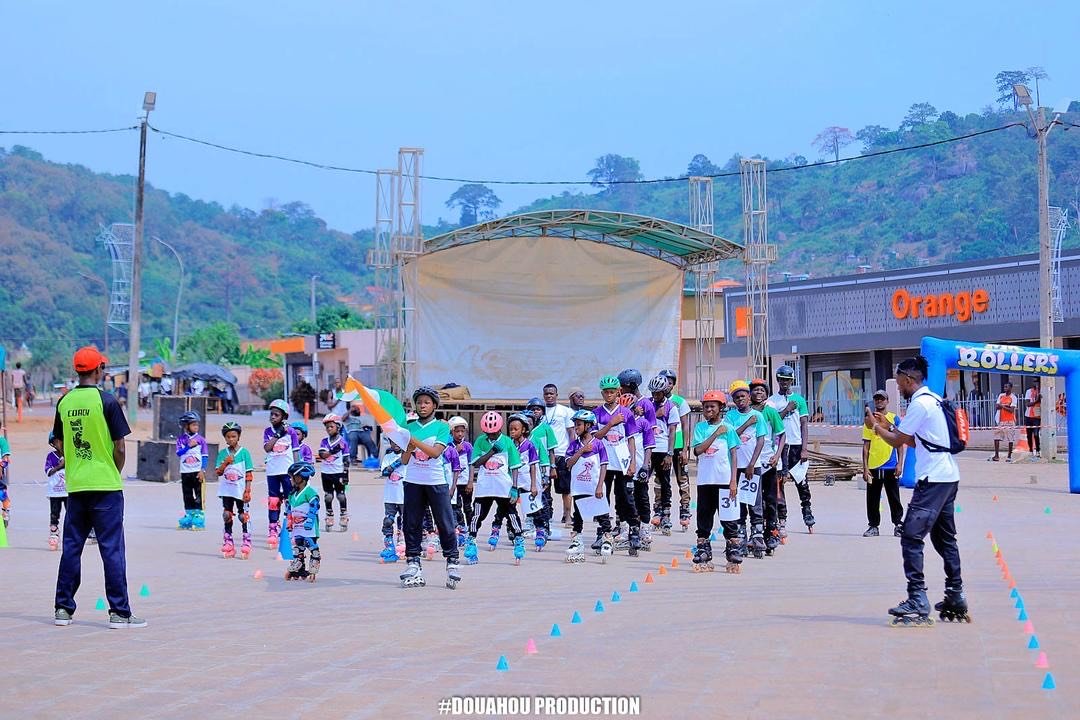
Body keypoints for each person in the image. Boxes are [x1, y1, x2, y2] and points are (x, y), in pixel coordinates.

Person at [871, 355, 969, 626]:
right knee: (944, 539)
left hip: (933, 479)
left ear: (908, 379)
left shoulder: (919, 404)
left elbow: (899, 441)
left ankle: (917, 598)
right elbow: (920, 440)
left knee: (911, 537)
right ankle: (955, 594)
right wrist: (887, 426)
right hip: (949, 477)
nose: (898, 387)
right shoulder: (934, 399)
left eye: (900, 381)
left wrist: (876, 427)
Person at [52, 346, 145, 628]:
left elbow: (57, 442)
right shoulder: (107, 401)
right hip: (105, 485)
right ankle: (119, 612)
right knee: (111, 550)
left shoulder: (64, 402)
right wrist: (112, 470)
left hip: (77, 486)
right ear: (98, 370)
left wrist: (73, 459)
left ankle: (63, 609)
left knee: (72, 548)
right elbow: (119, 445)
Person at [400, 386, 462, 590]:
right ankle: (413, 561)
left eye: (426, 402)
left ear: (434, 405)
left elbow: (435, 453)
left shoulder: (442, 427)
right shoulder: (409, 427)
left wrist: (413, 441)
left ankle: (452, 561)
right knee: (412, 523)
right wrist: (408, 448)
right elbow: (404, 460)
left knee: (445, 522)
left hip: (436, 482)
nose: (422, 406)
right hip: (413, 482)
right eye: (419, 402)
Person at [691, 390, 741, 573]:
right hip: (705, 481)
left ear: (721, 408)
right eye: (705, 407)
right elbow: (698, 451)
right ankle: (703, 551)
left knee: (728, 520)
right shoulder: (700, 428)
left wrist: (734, 480)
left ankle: (733, 552)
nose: (708, 410)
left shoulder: (729, 429)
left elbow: (734, 455)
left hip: (725, 481)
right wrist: (714, 435)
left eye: (712, 406)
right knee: (704, 519)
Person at [467, 411, 524, 561]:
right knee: (477, 515)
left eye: (493, 433)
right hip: (484, 487)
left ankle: (518, 539)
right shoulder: (480, 441)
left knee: (511, 514)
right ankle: (471, 540)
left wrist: (515, 488)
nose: (490, 435)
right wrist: (492, 451)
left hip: (503, 487)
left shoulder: (507, 441)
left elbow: (515, 466)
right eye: (488, 433)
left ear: (499, 429)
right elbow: (476, 463)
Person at [766, 365, 815, 536]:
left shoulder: (799, 400)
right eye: (782, 380)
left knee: (802, 482)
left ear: (791, 381)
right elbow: (772, 420)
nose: (784, 383)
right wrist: (786, 409)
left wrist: (805, 448)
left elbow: (804, 425)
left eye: (787, 380)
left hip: (795, 445)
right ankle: (782, 518)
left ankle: (807, 512)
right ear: (778, 380)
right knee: (779, 483)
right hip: (780, 445)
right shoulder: (771, 401)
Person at [594, 375, 640, 555]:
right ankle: (604, 530)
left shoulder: (626, 413)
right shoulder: (597, 413)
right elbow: (595, 437)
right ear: (602, 393)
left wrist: (633, 462)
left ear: (618, 392)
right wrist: (611, 424)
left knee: (625, 498)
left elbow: (631, 440)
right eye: (606, 392)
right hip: (603, 462)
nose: (609, 395)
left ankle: (633, 530)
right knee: (601, 497)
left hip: (622, 462)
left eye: (612, 392)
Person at [727, 381, 767, 558]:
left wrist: (752, 464)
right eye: (737, 397)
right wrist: (746, 423)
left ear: (749, 397)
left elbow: (760, 441)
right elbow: (731, 436)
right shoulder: (730, 416)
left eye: (743, 396)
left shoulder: (758, 416)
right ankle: (741, 532)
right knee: (739, 501)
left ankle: (757, 533)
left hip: (753, 466)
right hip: (736, 466)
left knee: (755, 500)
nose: (740, 399)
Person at [564, 409, 610, 563]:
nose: (576, 427)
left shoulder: (598, 444)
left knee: (602, 515)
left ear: (589, 425)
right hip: (578, 488)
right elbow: (569, 464)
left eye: (579, 424)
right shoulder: (573, 445)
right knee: (578, 516)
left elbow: (603, 466)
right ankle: (577, 541)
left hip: (594, 487)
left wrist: (599, 486)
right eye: (575, 424)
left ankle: (607, 540)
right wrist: (582, 450)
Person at [861, 390, 905, 538]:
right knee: (872, 499)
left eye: (882, 399)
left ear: (887, 401)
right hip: (874, 467)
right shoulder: (869, 420)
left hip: (891, 465)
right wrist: (865, 468)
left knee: (894, 497)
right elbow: (866, 446)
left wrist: (900, 464)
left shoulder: (894, 419)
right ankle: (873, 526)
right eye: (877, 399)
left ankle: (898, 524)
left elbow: (899, 443)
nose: (879, 401)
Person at [749, 378, 786, 555]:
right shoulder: (745, 412)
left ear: (766, 394)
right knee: (752, 501)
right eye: (755, 390)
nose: (758, 393)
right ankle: (754, 533)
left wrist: (777, 456)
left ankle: (771, 531)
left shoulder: (770, 411)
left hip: (767, 461)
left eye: (762, 391)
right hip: (749, 463)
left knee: (770, 500)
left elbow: (782, 435)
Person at [263, 399, 301, 549]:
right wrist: (278, 434)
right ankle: (273, 528)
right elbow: (267, 448)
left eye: (276, 415)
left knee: (289, 499)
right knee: (273, 501)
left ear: (284, 417)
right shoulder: (268, 432)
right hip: (272, 471)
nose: (273, 417)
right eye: (271, 414)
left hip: (287, 471)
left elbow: (296, 451)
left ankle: (291, 528)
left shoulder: (291, 432)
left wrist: (297, 471)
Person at [658, 369, 693, 531]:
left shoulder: (679, 401)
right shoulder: (655, 401)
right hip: (662, 446)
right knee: (660, 479)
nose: (667, 385)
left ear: (673, 385)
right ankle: (659, 509)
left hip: (678, 445)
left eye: (670, 382)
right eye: (665, 381)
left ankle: (685, 509)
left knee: (682, 478)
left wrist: (686, 449)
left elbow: (685, 425)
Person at [645, 375, 679, 535]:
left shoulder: (671, 407)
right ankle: (646, 513)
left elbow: (672, 431)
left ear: (665, 391)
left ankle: (665, 515)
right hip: (648, 449)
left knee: (665, 483)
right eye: (653, 393)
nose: (655, 396)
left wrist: (670, 453)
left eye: (658, 393)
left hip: (663, 449)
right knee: (642, 480)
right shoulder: (647, 404)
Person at [214, 421, 254, 559]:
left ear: (238, 437)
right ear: (225, 438)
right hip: (227, 491)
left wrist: (248, 491)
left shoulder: (245, 453)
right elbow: (218, 472)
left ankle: (246, 541)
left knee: (243, 516)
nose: (231, 439)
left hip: (240, 491)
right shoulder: (222, 454)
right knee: (227, 515)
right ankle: (228, 542)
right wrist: (225, 463)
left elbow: (249, 474)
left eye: (234, 436)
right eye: (228, 437)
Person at [542, 384, 576, 528]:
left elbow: (571, 433)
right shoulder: (540, 412)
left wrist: (573, 452)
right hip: (544, 455)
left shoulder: (565, 411)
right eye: (546, 394)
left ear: (556, 395)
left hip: (561, 453)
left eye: (552, 393)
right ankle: (546, 516)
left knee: (566, 489)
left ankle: (567, 516)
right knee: (544, 488)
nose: (549, 396)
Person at [526, 398, 557, 545]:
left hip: (542, 468)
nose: (535, 412)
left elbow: (551, 450)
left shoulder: (546, 428)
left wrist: (552, 467)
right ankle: (530, 523)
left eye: (538, 409)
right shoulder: (524, 431)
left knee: (545, 496)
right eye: (532, 409)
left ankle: (546, 524)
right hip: (527, 471)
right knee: (528, 496)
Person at [283, 461, 321, 582]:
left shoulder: (310, 492)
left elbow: (314, 505)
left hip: (309, 527)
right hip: (297, 526)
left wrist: (310, 520)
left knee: (310, 544)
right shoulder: (292, 494)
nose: (291, 480)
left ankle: (314, 562)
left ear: (300, 477)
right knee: (298, 545)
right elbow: (289, 509)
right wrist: (289, 522)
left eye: (292, 477)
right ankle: (299, 567)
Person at [175, 411, 208, 531]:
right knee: (187, 494)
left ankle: (199, 517)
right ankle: (189, 515)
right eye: (193, 425)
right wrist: (188, 446)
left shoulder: (201, 440)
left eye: (197, 425)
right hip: (185, 472)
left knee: (198, 494)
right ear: (186, 426)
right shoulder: (181, 440)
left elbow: (205, 456)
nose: (196, 427)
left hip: (197, 472)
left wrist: (202, 470)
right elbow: (178, 453)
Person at [319, 414, 350, 533]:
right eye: (327, 427)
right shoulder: (324, 441)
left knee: (341, 495)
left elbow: (346, 460)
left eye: (331, 426)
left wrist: (346, 475)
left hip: (338, 472)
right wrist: (335, 450)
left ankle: (343, 515)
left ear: (338, 427)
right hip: (326, 473)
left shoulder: (343, 442)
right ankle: (329, 516)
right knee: (328, 496)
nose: (328, 429)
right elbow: (323, 455)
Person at [379, 439, 406, 563]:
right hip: (390, 495)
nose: (396, 444)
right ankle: (389, 545)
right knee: (388, 520)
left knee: (406, 520)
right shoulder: (388, 457)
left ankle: (404, 544)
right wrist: (399, 462)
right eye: (393, 442)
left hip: (404, 495)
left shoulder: (408, 456)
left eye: (398, 442)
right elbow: (384, 472)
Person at [448, 416, 473, 536]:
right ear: (452, 432)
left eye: (462, 431)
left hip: (465, 482)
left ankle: (472, 528)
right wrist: (455, 451)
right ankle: (461, 526)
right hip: (454, 483)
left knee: (468, 507)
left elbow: (471, 464)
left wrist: (470, 482)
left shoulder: (468, 446)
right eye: (457, 431)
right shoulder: (448, 446)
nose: (460, 434)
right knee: (456, 506)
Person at [45, 432, 68, 550]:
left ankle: (72, 534)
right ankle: (54, 533)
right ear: (53, 443)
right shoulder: (51, 456)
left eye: (62, 440)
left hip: (68, 491)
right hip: (54, 492)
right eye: (57, 441)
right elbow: (48, 472)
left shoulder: (70, 455)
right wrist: (60, 466)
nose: (60, 444)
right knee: (54, 513)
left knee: (72, 513)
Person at [991, 382, 1017, 463]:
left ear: (1011, 388)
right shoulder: (1001, 395)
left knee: (1010, 439)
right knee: (996, 437)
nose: (1005, 388)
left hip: (1010, 420)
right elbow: (997, 406)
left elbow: (1011, 410)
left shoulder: (1013, 397)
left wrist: (1002, 406)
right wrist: (1005, 406)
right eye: (1004, 387)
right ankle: (996, 455)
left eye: (1007, 387)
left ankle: (1009, 456)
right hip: (1001, 420)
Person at [1024, 378, 1042, 459]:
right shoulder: (1029, 391)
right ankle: (1031, 450)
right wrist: (1036, 401)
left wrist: (1039, 399)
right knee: (1029, 435)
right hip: (1028, 415)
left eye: (1037, 382)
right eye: (1034, 382)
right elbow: (1027, 404)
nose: (1036, 384)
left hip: (1037, 416)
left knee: (1036, 434)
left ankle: (1038, 450)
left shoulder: (1041, 391)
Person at [0, 429, 10, 527]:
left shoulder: (2, 441)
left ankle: (5, 513)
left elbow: (6, 459)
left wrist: (2, 465)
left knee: (2, 496)